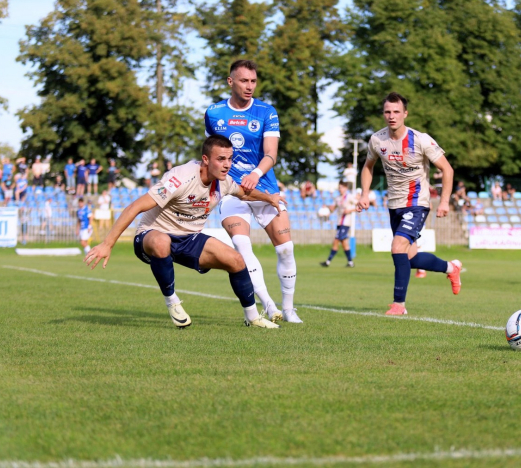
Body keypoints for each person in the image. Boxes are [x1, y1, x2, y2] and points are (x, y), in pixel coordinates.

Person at [85, 136, 284, 329]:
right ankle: (172, 302)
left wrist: (270, 198)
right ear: (205, 159)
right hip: (153, 234)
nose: (227, 164)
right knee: (162, 241)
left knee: (236, 260)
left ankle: (252, 317)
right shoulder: (180, 178)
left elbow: (243, 192)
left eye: (230, 159)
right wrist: (108, 243)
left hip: (189, 239)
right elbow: (135, 207)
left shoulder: (223, 181)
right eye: (221, 159)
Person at [204, 59, 302, 324]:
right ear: (230, 81)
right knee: (241, 245)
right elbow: (212, 154)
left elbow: (271, 153)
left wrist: (255, 174)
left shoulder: (266, 111)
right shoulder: (213, 113)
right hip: (231, 191)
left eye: (253, 81)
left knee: (286, 250)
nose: (249, 86)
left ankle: (290, 309)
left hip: (265, 187)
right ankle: (270, 306)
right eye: (244, 80)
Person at [357, 92, 462, 315]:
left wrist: (444, 201)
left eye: (396, 112)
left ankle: (399, 305)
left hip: (417, 202)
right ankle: (451, 268)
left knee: (396, 247)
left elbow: (447, 169)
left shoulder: (421, 139)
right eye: (387, 112)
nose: (391, 116)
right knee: (410, 259)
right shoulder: (377, 140)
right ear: (383, 114)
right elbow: (368, 166)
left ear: (405, 113)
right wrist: (365, 194)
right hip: (394, 204)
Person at [320, 181, 358, 268]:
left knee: (336, 241)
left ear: (345, 188)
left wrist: (350, 210)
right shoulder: (338, 198)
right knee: (344, 243)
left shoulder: (349, 197)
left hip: (346, 223)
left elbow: (359, 206)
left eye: (341, 187)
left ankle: (328, 261)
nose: (339, 189)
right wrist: (327, 207)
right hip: (339, 223)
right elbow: (333, 209)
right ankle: (350, 262)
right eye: (339, 187)